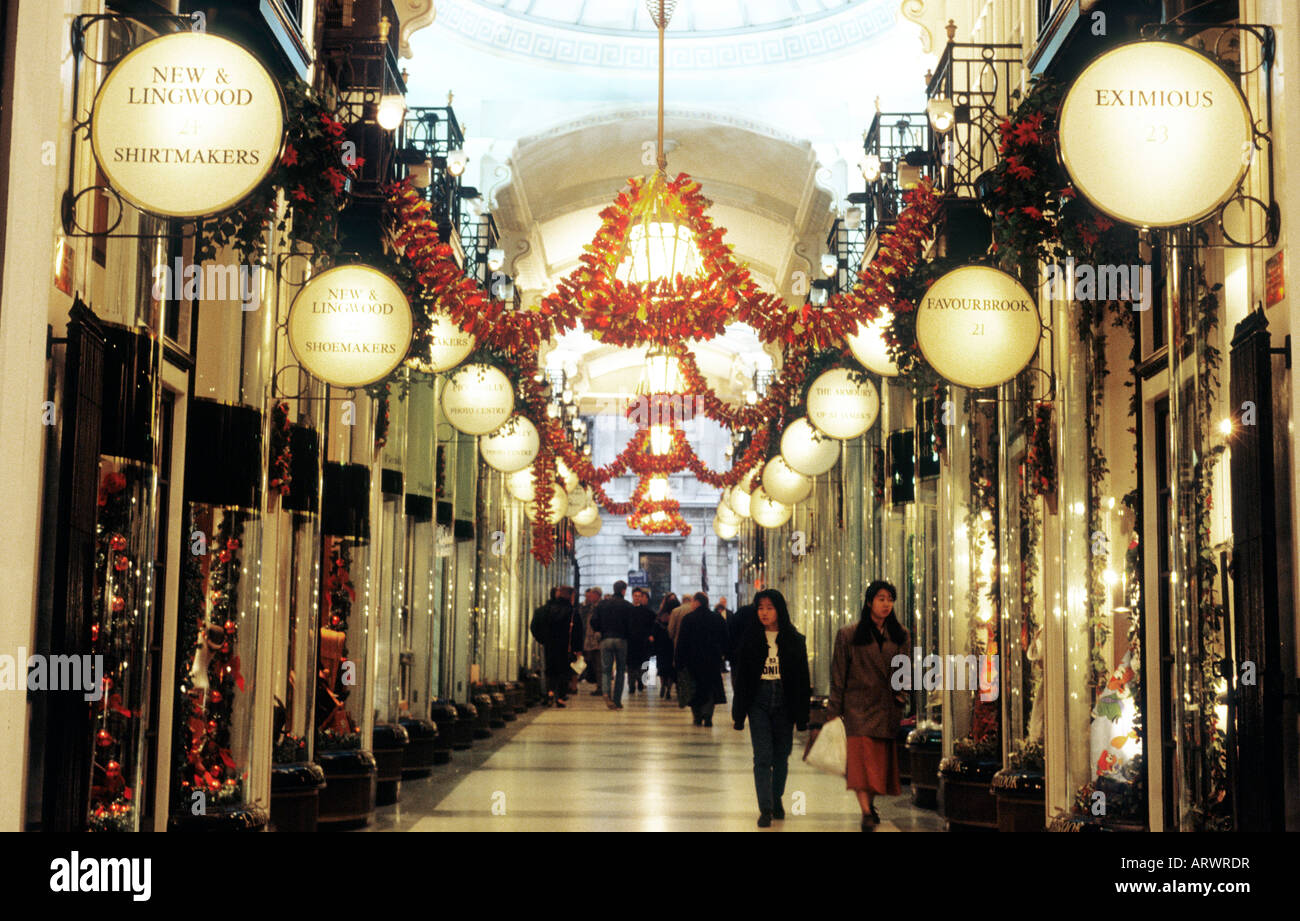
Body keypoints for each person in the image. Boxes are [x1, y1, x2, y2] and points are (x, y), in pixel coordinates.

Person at [816, 580, 910, 830]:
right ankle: (866, 811)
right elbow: (838, 676)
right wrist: (833, 712)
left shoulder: (901, 635)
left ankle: (870, 804)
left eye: (890, 599)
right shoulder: (848, 634)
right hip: (857, 709)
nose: (886, 604)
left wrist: (902, 697)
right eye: (881, 598)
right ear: (869, 602)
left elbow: (904, 671)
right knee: (861, 765)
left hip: (886, 709)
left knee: (878, 767)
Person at [732, 589, 810, 827]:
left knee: (782, 757)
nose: (764, 613)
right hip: (759, 701)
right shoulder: (750, 639)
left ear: (779, 610)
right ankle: (765, 808)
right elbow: (742, 679)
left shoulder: (794, 640)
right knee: (762, 756)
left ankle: (776, 798)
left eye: (769, 608)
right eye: (760, 608)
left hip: (785, 702)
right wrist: (739, 714)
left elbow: (802, 680)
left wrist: (802, 715)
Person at [674, 592, 727, 727]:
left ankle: (697, 716)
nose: (691, 604)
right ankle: (708, 715)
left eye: (692, 601)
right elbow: (725, 637)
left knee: (694, 688)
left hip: (693, 660)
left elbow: (682, 642)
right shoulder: (717, 618)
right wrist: (723, 654)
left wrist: (679, 661)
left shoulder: (688, 619)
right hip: (712, 660)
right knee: (709, 688)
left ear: (697, 602)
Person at [529, 585, 582, 707]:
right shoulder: (572, 612)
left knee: (550, 670)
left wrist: (542, 639)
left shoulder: (545, 610)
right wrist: (577, 649)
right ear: (570, 596)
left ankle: (549, 693)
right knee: (563, 671)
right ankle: (560, 697)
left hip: (550, 645)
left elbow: (534, 626)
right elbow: (577, 632)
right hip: (566, 646)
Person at [591, 580, 635, 710]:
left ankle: (605, 693)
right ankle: (617, 700)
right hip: (621, 640)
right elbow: (632, 626)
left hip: (606, 639)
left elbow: (593, 621)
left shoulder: (602, 604)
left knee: (606, 670)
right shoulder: (628, 606)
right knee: (621, 670)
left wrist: (600, 630)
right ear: (623, 590)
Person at [627, 587, 656, 693]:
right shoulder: (628, 610)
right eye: (636, 596)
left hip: (642, 641)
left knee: (641, 663)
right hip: (631, 641)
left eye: (639, 596)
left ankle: (640, 681)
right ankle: (631, 684)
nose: (637, 598)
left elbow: (651, 625)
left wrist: (650, 635)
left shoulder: (647, 612)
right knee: (631, 664)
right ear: (632, 596)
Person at [654, 593, 680, 699]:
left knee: (662, 667)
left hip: (662, 644)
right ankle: (668, 688)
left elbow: (655, 627)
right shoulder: (676, 613)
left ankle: (664, 686)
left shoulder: (661, 614)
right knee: (669, 668)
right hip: (671, 643)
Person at [579, 587, 603, 694]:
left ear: (597, 595)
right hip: (591, 641)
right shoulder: (590, 607)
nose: (590, 597)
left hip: (597, 641)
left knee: (599, 665)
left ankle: (601, 687)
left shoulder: (600, 607)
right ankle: (599, 686)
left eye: (592, 595)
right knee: (594, 664)